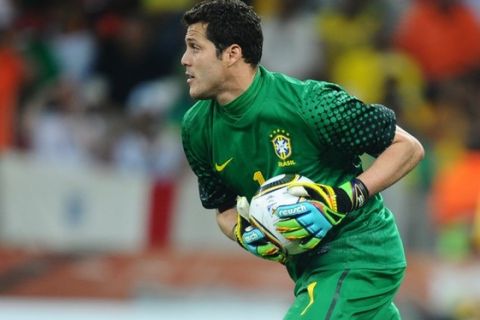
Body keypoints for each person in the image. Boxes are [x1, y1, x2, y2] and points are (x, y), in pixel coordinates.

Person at [179, 0, 424, 319]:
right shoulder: (196, 129)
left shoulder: (309, 105)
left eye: (195, 47)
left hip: (360, 253)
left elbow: (408, 148)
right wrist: (245, 233)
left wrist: (342, 199)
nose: (185, 60)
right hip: (309, 272)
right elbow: (224, 209)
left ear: (232, 54)